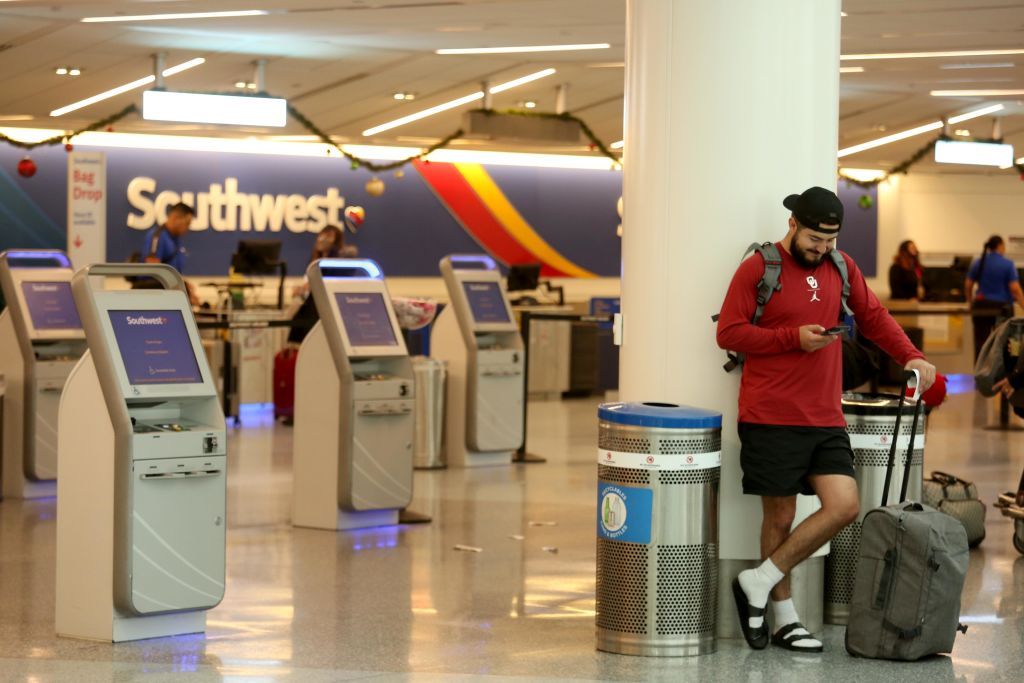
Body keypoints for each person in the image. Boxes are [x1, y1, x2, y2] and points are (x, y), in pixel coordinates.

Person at [716, 186, 936, 653]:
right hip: (770, 413)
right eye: (815, 239)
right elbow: (729, 331)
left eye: (830, 241)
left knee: (844, 505)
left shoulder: (841, 267)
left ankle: (757, 581)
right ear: (793, 225)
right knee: (780, 515)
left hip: (824, 413)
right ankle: (784, 617)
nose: (821, 249)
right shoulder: (759, 266)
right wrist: (792, 338)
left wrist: (911, 356)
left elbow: (874, 317)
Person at [965, 235, 1024, 360]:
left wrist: (970, 302)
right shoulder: (1007, 264)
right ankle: (999, 375)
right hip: (1001, 308)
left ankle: (979, 373)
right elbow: (1015, 289)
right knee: (1003, 342)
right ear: (1000, 246)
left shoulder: (978, 262)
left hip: (981, 306)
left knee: (980, 343)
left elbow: (968, 284)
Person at [287, 225, 346, 345]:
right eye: (322, 235)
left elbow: (325, 281)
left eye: (329, 236)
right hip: (310, 303)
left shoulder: (336, 260)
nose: (323, 239)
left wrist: (308, 286)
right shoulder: (314, 260)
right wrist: (301, 289)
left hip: (324, 307)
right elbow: (308, 281)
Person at [139, 202, 198, 304]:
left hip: (170, 291)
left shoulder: (175, 239)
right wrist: (181, 286)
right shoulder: (157, 236)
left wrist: (185, 285)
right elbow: (153, 267)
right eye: (187, 223)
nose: (187, 228)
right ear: (175, 218)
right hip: (156, 293)